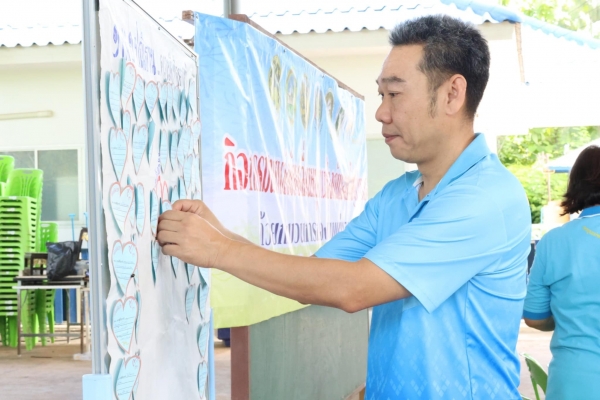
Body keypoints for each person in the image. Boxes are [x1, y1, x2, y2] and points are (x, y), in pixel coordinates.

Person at [157, 15, 531, 399]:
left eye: (395, 94)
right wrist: (220, 234)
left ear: (452, 94)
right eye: (381, 95)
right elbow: (315, 278)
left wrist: (218, 250)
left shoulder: (485, 198)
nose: (381, 113)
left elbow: (353, 289)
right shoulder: (396, 195)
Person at [523, 145, 600, 399]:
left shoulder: (553, 242)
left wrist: (569, 317)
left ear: (575, 185)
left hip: (573, 382)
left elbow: (534, 317)